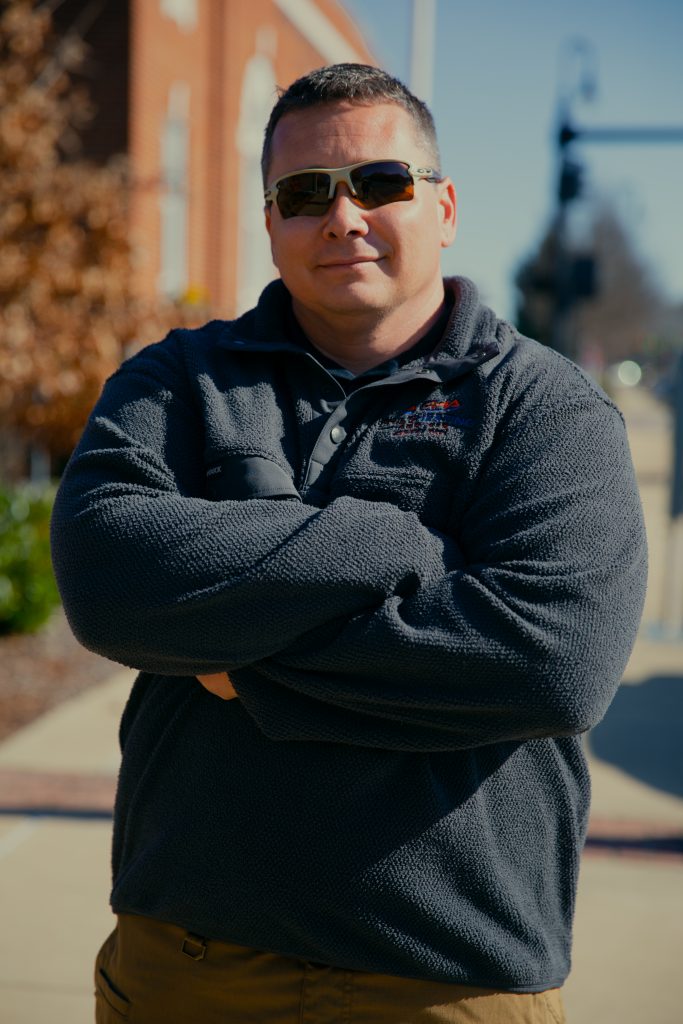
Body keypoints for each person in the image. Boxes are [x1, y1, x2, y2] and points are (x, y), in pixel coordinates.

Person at [51, 63, 647, 1023]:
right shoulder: (178, 382)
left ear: (444, 207)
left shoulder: (546, 410)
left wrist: (244, 662)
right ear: (271, 222)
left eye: (379, 183)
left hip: (445, 977)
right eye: (304, 194)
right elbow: (109, 579)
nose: (342, 217)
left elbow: (550, 665)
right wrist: (383, 546)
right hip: (190, 956)